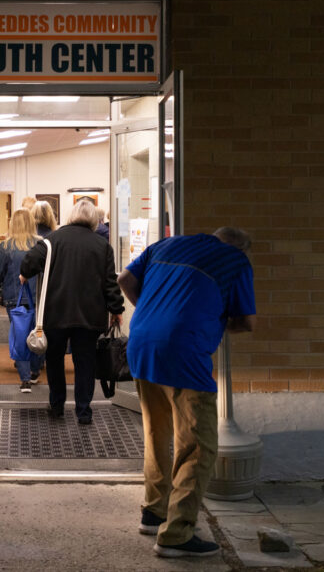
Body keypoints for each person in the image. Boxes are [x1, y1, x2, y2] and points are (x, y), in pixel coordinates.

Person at [117, 227, 256, 558]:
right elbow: (247, 322)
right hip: (184, 351)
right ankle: (177, 534)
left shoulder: (166, 245)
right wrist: (210, 322)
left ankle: (154, 511)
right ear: (241, 248)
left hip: (141, 344)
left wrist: (156, 314)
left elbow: (124, 280)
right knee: (198, 446)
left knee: (157, 433)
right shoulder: (235, 259)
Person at [20, 198, 123, 424]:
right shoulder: (102, 246)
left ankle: (57, 406)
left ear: (70, 216)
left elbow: (28, 263)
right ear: (94, 220)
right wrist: (117, 309)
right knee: (84, 362)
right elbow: (110, 283)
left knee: (55, 359)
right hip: (89, 316)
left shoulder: (52, 240)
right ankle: (84, 412)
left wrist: (26, 273)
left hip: (56, 313)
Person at [0, 209, 42, 392]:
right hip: (38, 298)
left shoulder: (5, 247)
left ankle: (25, 379)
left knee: (20, 336)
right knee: (38, 333)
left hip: (14, 298)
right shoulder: (41, 245)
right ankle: (34, 371)